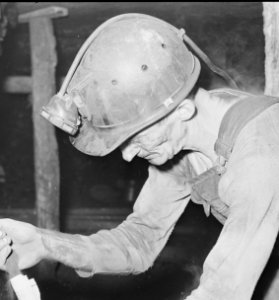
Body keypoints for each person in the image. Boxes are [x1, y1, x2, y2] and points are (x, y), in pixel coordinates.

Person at [1, 13, 279, 300]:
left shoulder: (261, 151)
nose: (128, 156)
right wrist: (42, 243)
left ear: (181, 111)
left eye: (134, 139)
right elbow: (139, 241)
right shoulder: (182, 145)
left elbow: (223, 292)